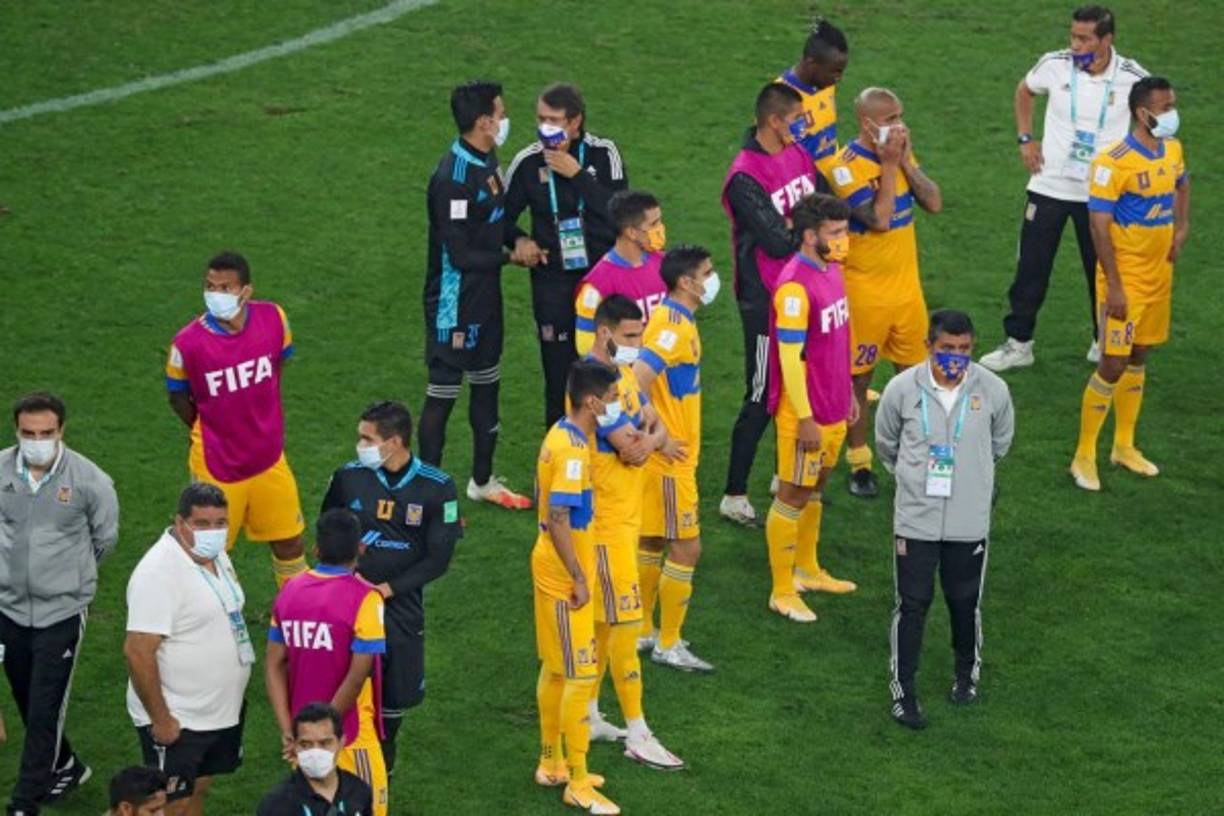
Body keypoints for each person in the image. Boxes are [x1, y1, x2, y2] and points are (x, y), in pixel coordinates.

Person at [981, 5, 1149, 372]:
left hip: (1104, 195)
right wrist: (1026, 138)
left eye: (1084, 38)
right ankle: (1019, 343)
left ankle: (1102, 338)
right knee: (1031, 266)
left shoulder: (1133, 77)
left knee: (1101, 269)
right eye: (1073, 35)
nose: (1075, 44)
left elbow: (1155, 121)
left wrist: (1132, 169)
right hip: (1049, 184)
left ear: (1107, 39)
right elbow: (1025, 91)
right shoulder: (1054, 64)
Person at [875, 311, 1015, 729]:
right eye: (947, 349)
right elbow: (886, 444)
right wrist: (911, 480)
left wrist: (972, 480)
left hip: (968, 520)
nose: (956, 357)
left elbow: (1001, 443)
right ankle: (904, 693)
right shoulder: (902, 390)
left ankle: (964, 676)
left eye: (964, 349)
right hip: (916, 520)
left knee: (964, 602)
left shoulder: (993, 389)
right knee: (912, 604)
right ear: (928, 347)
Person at [320, 401, 462, 773]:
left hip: (399, 606)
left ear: (394, 442)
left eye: (367, 438)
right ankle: (334, 750)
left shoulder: (437, 487)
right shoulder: (347, 477)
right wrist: (346, 574)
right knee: (340, 679)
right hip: (346, 602)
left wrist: (386, 589)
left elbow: (439, 559)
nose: (360, 444)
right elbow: (328, 529)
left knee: (395, 693)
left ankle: (384, 756)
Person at [420, 79, 537, 511]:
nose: (506, 120)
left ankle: (482, 481)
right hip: (454, 302)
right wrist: (511, 258)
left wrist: (520, 238)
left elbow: (497, 221)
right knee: (443, 396)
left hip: (486, 299)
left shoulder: (487, 159)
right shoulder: (451, 178)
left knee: (488, 387)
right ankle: (428, 499)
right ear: (484, 121)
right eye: (502, 113)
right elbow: (461, 253)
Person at [0, 392, 118, 814]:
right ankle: (66, 765)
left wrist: (67, 579)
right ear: (17, 430)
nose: (37, 440)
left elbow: (105, 540)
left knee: (45, 707)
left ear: (61, 431)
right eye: (29, 433)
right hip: (8, 608)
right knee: (26, 697)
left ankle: (24, 802)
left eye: (46, 433)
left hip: (62, 613)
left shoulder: (90, 481)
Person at [1070, 76, 1189, 491]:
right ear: (1143, 113)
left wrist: (1181, 227)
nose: (1173, 113)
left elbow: (1181, 183)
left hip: (1160, 277)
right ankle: (1083, 455)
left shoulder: (1171, 148)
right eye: (1165, 106)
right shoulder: (1112, 162)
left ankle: (1124, 446)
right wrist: (1115, 287)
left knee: (1140, 355)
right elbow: (1098, 226)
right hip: (1126, 281)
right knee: (1113, 362)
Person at [582, 295, 685, 769]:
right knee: (623, 625)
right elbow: (636, 450)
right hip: (603, 528)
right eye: (629, 337)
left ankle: (586, 712)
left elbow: (658, 428)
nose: (636, 347)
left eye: (640, 336)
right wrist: (646, 441)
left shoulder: (623, 377)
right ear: (605, 333)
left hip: (625, 520)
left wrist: (648, 439)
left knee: (608, 624)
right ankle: (639, 730)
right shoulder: (591, 386)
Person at [165, 250, 308, 588]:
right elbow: (176, 396)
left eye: (225, 287)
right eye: (210, 286)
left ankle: (295, 613)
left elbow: (277, 364)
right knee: (206, 551)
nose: (216, 294)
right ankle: (206, 620)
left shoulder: (274, 319)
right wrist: (205, 425)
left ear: (246, 291)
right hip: (217, 461)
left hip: (269, 457)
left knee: (290, 541)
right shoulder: (187, 343)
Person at [828, 87, 943, 499]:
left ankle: (928, 464)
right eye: (891, 118)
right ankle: (859, 462)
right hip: (863, 294)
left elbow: (933, 202)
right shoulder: (843, 168)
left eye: (901, 115)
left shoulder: (901, 152)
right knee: (858, 380)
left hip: (907, 292)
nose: (900, 125)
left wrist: (905, 164)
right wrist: (891, 165)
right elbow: (878, 219)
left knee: (921, 381)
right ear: (867, 123)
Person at [719, 81, 820, 526]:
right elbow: (778, 241)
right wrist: (808, 226)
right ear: (775, 121)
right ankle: (733, 494)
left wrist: (804, 224)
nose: (802, 124)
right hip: (762, 298)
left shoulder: (797, 154)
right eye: (796, 118)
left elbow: (812, 211)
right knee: (762, 391)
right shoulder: (744, 175)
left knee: (799, 386)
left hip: (799, 290)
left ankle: (786, 475)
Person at [505, 82, 630, 427]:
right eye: (541, 119)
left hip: (603, 279)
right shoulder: (528, 162)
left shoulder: (605, 154)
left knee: (611, 369)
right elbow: (499, 218)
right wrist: (519, 240)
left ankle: (609, 454)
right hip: (553, 282)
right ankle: (559, 458)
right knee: (558, 376)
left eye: (555, 120)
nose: (546, 128)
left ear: (575, 122)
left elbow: (621, 214)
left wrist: (576, 174)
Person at [124, 483, 250, 815]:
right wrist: (161, 719)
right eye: (202, 524)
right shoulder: (158, 573)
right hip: (180, 717)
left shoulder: (215, 555)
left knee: (199, 788)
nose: (213, 531)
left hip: (217, 711)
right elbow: (137, 652)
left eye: (220, 523)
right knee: (168, 804)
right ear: (180, 524)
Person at [531, 360, 623, 814]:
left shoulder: (563, 434)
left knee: (554, 668)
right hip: (565, 573)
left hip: (549, 560)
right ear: (592, 401)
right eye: (612, 397)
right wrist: (581, 576)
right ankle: (579, 780)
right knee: (581, 674)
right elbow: (562, 517)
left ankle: (552, 763)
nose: (617, 405)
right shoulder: (571, 452)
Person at [763, 194, 859, 624]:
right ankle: (782, 590)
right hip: (807, 413)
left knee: (816, 487)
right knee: (793, 492)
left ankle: (807, 568)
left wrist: (850, 394)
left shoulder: (831, 269)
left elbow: (838, 337)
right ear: (808, 236)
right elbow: (789, 359)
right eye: (835, 233)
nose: (844, 239)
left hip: (834, 404)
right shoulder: (794, 289)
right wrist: (803, 417)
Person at [267, 510, 389, 816]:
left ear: (317, 550)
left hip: (305, 742)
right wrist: (329, 734)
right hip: (349, 735)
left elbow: (273, 666)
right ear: (359, 549)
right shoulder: (365, 598)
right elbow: (358, 673)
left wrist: (290, 731)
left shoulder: (289, 592)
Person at [632, 246, 720, 673]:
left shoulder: (676, 319)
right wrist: (658, 436)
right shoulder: (672, 327)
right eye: (708, 272)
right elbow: (637, 380)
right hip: (671, 461)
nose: (712, 278)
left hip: (668, 458)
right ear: (687, 282)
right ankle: (669, 643)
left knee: (650, 539)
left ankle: (643, 631)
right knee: (687, 546)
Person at [573, 190, 669, 355]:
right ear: (631, 232)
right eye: (654, 224)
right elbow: (585, 345)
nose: (660, 229)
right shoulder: (596, 286)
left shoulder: (665, 263)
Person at [257, 703, 375, 816]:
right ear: (295, 746)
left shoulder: (360, 791)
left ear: (341, 742)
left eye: (325, 743)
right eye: (305, 744)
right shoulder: (277, 805)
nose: (315, 752)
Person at [778, 17, 851, 180]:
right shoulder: (780, 101)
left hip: (833, 182)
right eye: (835, 71)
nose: (839, 78)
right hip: (806, 195)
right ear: (812, 64)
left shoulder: (824, 84)